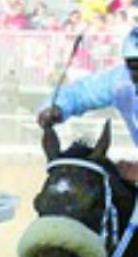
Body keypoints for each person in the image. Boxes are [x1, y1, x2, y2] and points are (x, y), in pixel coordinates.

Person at [38, 26, 138, 180]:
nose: (136, 73)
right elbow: (79, 93)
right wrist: (56, 107)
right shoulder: (121, 80)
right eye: (133, 65)